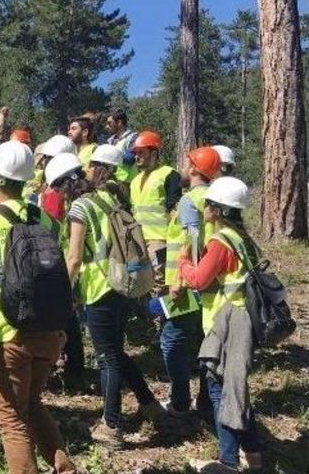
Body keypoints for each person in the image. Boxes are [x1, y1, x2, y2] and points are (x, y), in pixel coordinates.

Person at [0, 141, 77, 474]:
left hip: (9, 334)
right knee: (31, 403)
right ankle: (64, 466)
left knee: (11, 418)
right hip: (49, 330)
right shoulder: (46, 218)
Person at [45, 153, 164, 449]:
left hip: (99, 288)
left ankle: (111, 425)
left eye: (57, 189)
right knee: (116, 351)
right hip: (122, 283)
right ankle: (150, 406)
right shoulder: (105, 197)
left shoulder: (79, 209)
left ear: (64, 184)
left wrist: (62, 294)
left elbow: (73, 258)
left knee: (106, 358)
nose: (57, 195)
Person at [180, 177, 264, 473]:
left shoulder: (220, 241)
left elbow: (198, 280)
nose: (203, 207)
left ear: (217, 209)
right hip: (244, 319)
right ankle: (253, 454)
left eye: (208, 203)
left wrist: (183, 263)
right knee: (236, 387)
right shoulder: (242, 236)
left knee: (220, 389)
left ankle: (227, 461)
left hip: (228, 321)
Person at [161, 147, 222, 418]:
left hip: (188, 282)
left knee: (172, 340)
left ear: (195, 170)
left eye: (187, 164)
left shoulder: (189, 200)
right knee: (203, 343)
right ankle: (206, 401)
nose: (184, 168)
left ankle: (180, 401)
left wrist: (179, 280)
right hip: (210, 282)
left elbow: (192, 241)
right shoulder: (214, 198)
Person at [130, 130, 182, 301]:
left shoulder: (169, 174)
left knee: (160, 285)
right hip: (139, 241)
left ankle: (162, 322)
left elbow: (174, 208)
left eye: (141, 153)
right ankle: (151, 321)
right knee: (143, 285)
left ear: (154, 153)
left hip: (160, 240)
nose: (137, 157)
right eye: (135, 153)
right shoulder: (135, 181)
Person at [105, 108, 138, 184]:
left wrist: (109, 156)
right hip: (112, 182)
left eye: (109, 123)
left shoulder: (133, 137)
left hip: (127, 183)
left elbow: (130, 159)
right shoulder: (110, 141)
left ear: (119, 122)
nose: (107, 126)